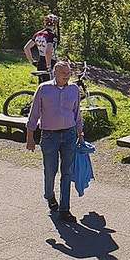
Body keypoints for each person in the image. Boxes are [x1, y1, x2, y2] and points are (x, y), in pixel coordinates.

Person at [24, 59, 82, 221]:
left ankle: (65, 209)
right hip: (49, 136)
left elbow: (77, 112)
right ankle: (49, 195)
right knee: (50, 170)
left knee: (67, 172)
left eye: (69, 73)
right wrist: (30, 138)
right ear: (54, 73)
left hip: (69, 134)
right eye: (63, 73)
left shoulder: (74, 89)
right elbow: (34, 114)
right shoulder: (43, 89)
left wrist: (80, 132)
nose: (67, 76)